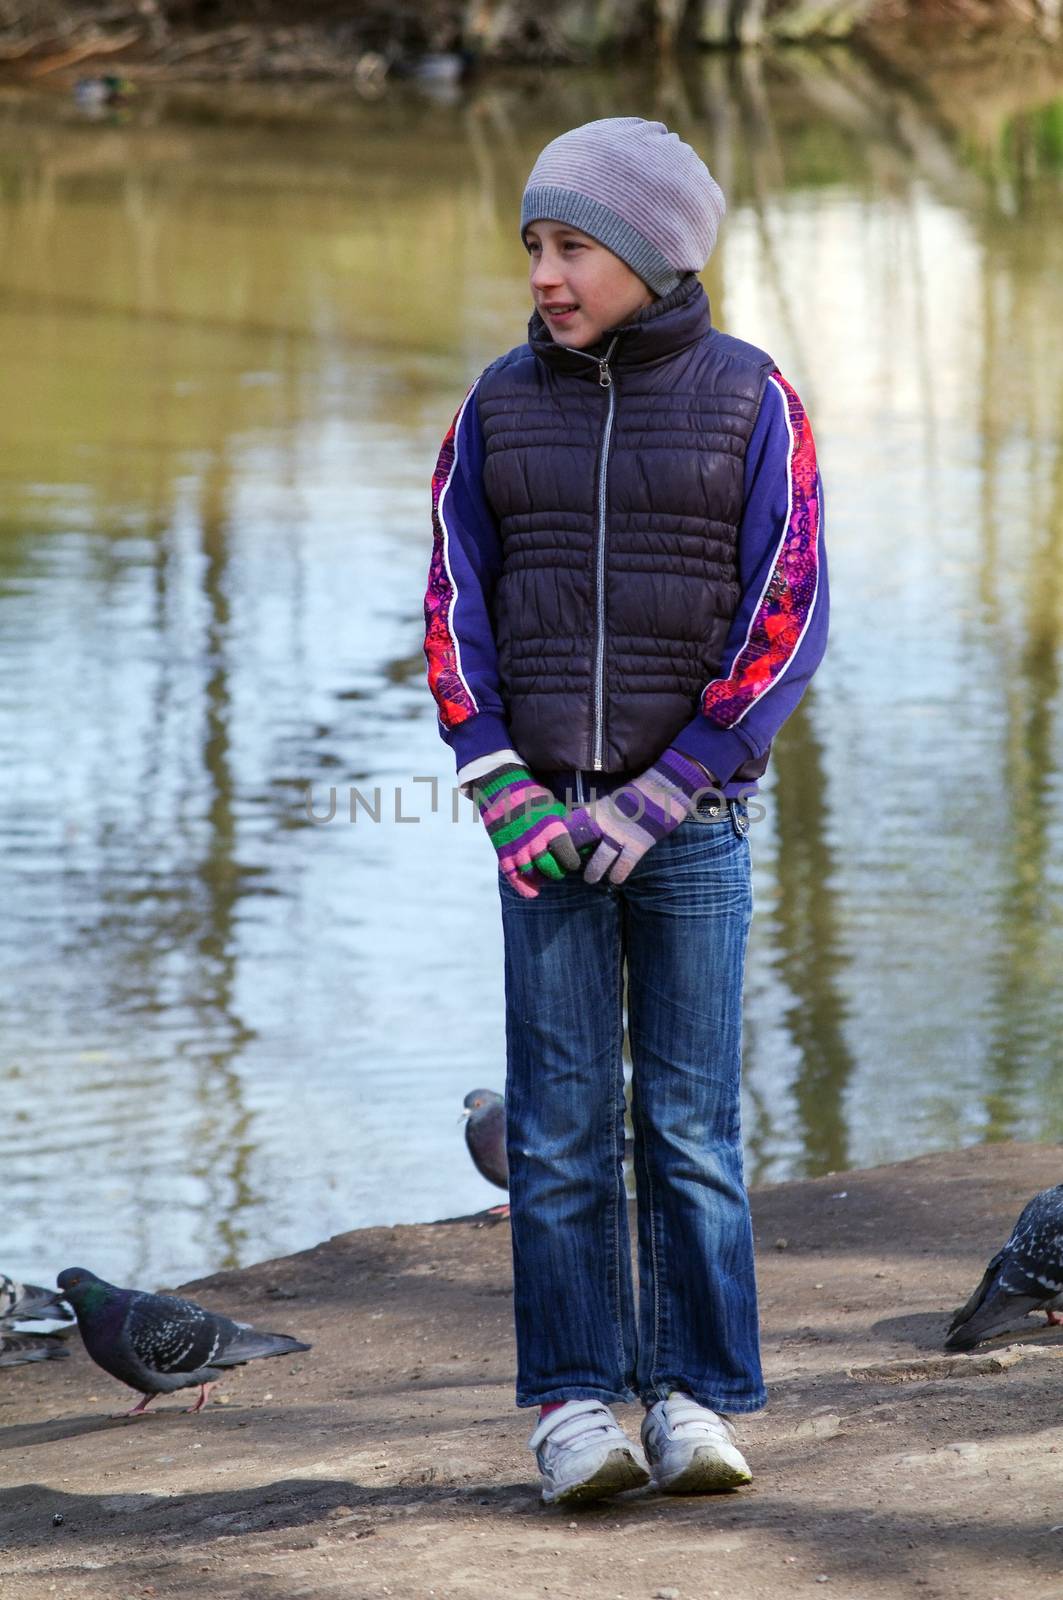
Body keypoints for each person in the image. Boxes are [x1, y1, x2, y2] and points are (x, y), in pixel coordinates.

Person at [423, 117, 828, 1506]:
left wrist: (675, 783)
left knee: (694, 1126)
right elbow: (451, 603)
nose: (544, 273)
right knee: (556, 1129)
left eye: (574, 247)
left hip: (692, 827)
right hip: (541, 829)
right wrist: (498, 780)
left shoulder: (750, 400)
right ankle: (577, 1408)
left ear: (651, 260)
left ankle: (698, 1402)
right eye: (533, 246)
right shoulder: (494, 407)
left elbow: (791, 608)